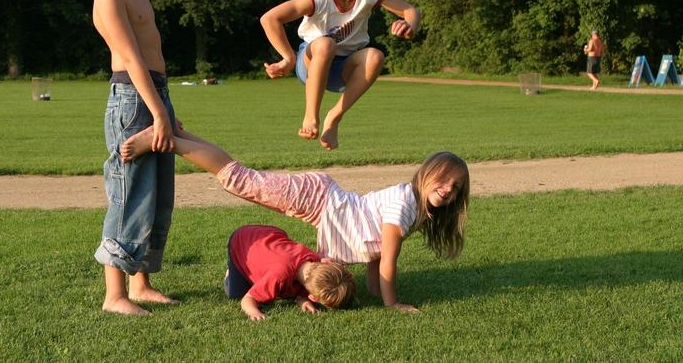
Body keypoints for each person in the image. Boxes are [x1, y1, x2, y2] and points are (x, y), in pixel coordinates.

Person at [121, 127, 470, 313]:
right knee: (239, 179)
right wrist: (392, 303)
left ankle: (183, 134)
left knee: (244, 177)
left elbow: (375, 254)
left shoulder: (413, 204)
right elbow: (389, 260)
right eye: (443, 179)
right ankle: (165, 140)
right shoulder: (405, 206)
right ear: (426, 174)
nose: (448, 189)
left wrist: (374, 293)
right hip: (319, 199)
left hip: (322, 199)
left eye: (455, 188)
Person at [92, 0, 181, 315]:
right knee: (130, 193)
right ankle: (115, 296)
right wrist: (158, 113)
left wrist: (166, 110)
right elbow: (130, 59)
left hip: (153, 94)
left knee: (158, 194)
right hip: (132, 99)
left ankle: (141, 283)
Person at [260, 0, 422, 150]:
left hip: (343, 69)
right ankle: (311, 116)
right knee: (326, 44)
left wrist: (409, 25)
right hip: (310, 63)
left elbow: (410, 10)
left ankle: (334, 118)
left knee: (375, 56)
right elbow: (270, 19)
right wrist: (287, 58)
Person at [224, 224, 356, 320]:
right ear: (313, 297)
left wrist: (302, 300)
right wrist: (254, 312)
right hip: (241, 242)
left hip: (269, 234)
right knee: (237, 294)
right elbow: (248, 299)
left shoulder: (314, 261)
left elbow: (301, 288)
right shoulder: (279, 277)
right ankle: (230, 273)